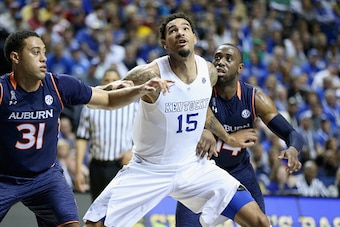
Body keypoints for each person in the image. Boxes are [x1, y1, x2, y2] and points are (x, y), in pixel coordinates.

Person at [83, 13, 269, 227]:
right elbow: (101, 97)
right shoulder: (149, 74)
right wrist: (127, 90)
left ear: (194, 37)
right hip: (149, 169)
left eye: (185, 28)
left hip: (193, 166)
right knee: (94, 225)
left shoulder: (208, 72)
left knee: (259, 220)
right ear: (165, 43)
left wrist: (224, 136)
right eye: (173, 30)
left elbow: (201, 106)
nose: (180, 32)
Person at [0, 30, 171, 227]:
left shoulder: (58, 84)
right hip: (5, 178)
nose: (43, 58)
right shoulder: (3, 90)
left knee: (72, 224)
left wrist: (140, 90)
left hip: (45, 177)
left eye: (44, 52)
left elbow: (106, 99)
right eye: (35, 52)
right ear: (15, 57)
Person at [176, 43, 303, 226]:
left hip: (239, 172)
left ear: (240, 67)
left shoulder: (254, 98)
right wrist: (203, 129)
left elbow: (291, 133)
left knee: (260, 223)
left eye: (229, 58)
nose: (221, 62)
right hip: (200, 174)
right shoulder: (200, 90)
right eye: (217, 57)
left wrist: (293, 149)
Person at [75, 68, 138, 200]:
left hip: (121, 166)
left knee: (119, 211)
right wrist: (78, 168)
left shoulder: (133, 106)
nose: (111, 83)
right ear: (102, 83)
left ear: (122, 82)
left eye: (115, 80)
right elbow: (82, 138)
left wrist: (133, 150)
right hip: (97, 166)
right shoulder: (90, 107)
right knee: (96, 213)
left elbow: (146, 135)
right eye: (107, 80)